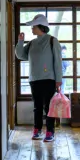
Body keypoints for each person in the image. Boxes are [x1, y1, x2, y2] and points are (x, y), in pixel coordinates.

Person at [15, 13, 63, 142]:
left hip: (49, 79)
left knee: (49, 107)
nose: (31, 29)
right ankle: (37, 129)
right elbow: (21, 55)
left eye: (33, 26)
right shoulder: (32, 43)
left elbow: (58, 61)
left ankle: (50, 132)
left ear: (40, 27)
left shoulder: (53, 41)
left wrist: (59, 80)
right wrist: (20, 41)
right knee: (37, 106)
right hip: (34, 79)